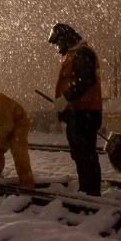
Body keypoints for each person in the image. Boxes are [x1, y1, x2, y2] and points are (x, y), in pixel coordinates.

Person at [48, 23, 103, 196]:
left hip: (85, 112)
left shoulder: (83, 54)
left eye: (58, 44)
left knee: (85, 153)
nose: (58, 48)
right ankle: (86, 189)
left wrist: (66, 98)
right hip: (78, 112)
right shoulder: (73, 55)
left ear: (66, 39)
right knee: (80, 153)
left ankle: (90, 191)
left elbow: (84, 81)